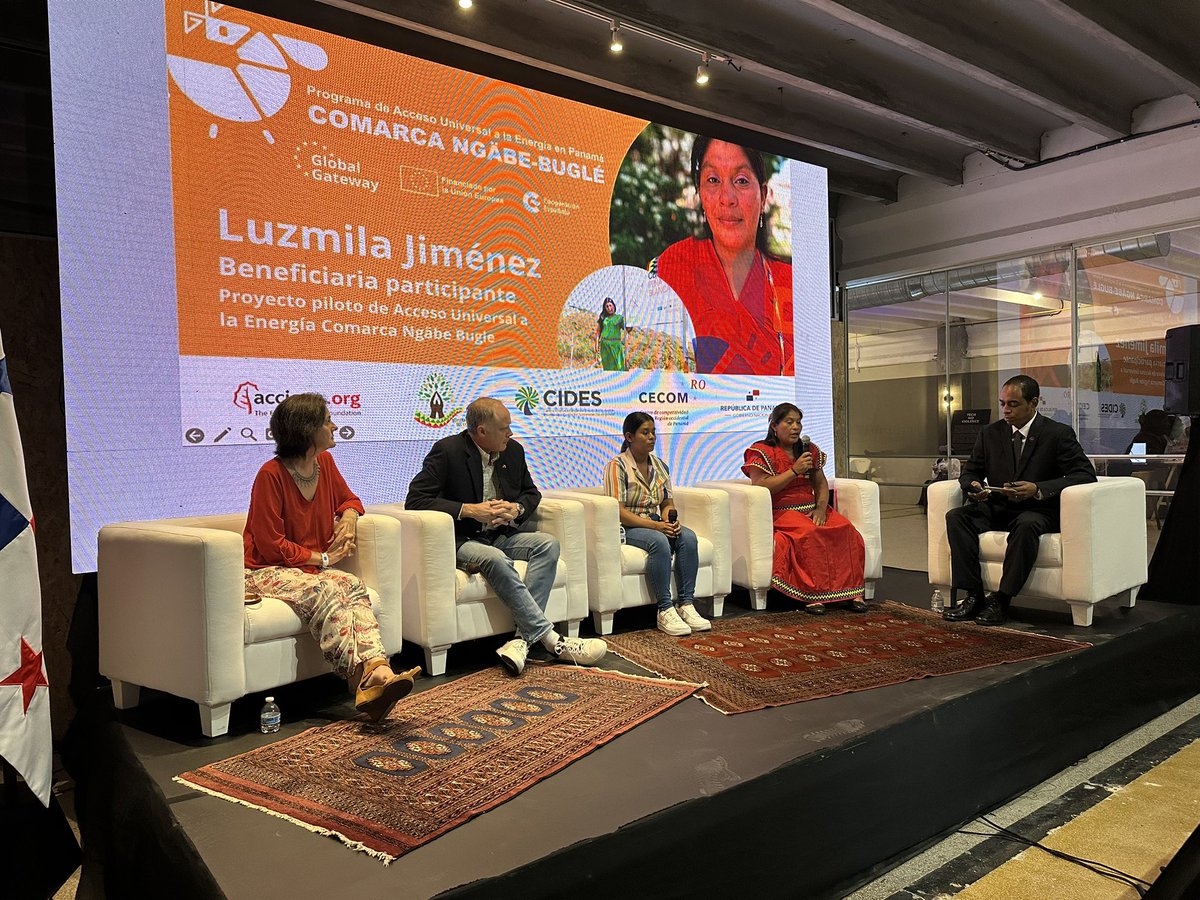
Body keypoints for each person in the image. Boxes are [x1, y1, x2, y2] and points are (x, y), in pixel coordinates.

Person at [243, 393, 419, 723]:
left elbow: (349, 499)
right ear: (307, 429)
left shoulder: (325, 464)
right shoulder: (271, 475)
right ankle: (361, 679)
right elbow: (269, 546)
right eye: (327, 420)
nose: (334, 425)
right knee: (325, 590)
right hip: (262, 570)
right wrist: (322, 558)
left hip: (307, 567)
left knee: (353, 585)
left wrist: (349, 517)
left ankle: (378, 671)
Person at [406, 397, 608, 675]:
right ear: (481, 431)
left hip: (501, 534)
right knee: (496, 558)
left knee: (547, 544)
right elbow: (416, 500)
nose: (510, 434)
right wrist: (469, 510)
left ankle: (520, 641)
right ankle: (552, 641)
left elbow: (531, 492)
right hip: (462, 540)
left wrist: (517, 508)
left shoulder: (513, 451)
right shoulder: (448, 451)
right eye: (504, 429)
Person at [944, 374, 1097, 627]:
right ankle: (973, 595)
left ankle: (1002, 600)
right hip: (997, 505)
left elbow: (1084, 474)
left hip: (1037, 509)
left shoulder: (1057, 434)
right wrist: (972, 485)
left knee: (1026, 525)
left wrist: (1038, 488)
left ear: (1034, 403)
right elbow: (971, 471)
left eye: (1013, 404)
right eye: (1003, 403)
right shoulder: (990, 433)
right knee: (957, 517)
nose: (1006, 410)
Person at [649, 136, 793, 376]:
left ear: (764, 194)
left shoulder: (790, 282)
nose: (727, 198)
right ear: (701, 194)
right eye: (713, 180)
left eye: (741, 181)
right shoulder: (671, 268)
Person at [742, 403, 867, 615]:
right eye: (789, 422)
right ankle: (812, 594)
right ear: (774, 426)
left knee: (846, 529)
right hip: (782, 511)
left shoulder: (809, 450)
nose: (795, 427)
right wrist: (794, 470)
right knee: (809, 533)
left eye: (798, 422)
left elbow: (820, 484)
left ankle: (852, 592)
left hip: (811, 509)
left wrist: (820, 509)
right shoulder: (761, 452)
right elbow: (761, 487)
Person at [604, 412, 710, 635]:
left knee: (688, 537)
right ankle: (664, 608)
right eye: (645, 432)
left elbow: (667, 502)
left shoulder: (660, 466)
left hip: (654, 522)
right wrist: (656, 527)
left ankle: (687, 604)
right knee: (659, 541)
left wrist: (669, 519)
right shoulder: (617, 466)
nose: (652, 437)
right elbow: (618, 512)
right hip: (628, 527)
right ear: (629, 437)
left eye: (653, 432)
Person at [596, 297, 628, 371]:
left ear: (614, 305)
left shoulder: (619, 318)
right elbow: (598, 332)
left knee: (619, 366)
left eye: (610, 305)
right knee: (608, 368)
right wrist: (596, 344)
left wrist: (630, 322)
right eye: (607, 306)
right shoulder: (603, 318)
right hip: (605, 346)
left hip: (616, 345)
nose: (609, 308)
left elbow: (627, 329)